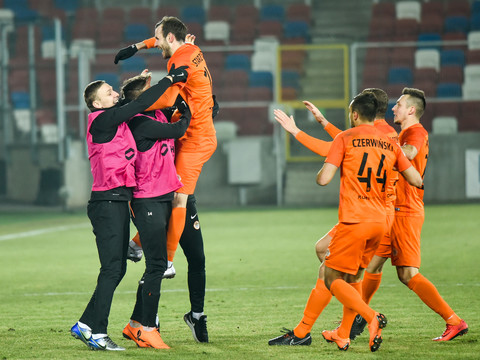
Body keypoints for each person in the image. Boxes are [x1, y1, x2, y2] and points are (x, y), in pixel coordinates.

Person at [270, 92, 423, 352]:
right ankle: (339, 334)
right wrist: (320, 124)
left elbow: (326, 174)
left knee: (331, 276)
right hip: (382, 220)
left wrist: (320, 155)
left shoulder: (347, 137)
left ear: (355, 113)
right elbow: (417, 180)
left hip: (356, 219)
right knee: (350, 275)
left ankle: (369, 316)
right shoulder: (389, 140)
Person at [70, 67, 188, 351]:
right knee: (112, 270)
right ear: (97, 103)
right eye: (107, 93)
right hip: (107, 202)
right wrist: (169, 80)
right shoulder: (101, 120)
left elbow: (134, 98)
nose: (114, 94)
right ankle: (98, 334)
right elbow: (136, 103)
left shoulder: (113, 117)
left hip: (118, 201)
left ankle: (85, 324)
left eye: (113, 90)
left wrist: (140, 82)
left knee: (118, 268)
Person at [114, 18, 216, 342]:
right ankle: (145, 322)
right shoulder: (149, 116)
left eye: (158, 40)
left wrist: (144, 58)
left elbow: (172, 81)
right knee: (157, 262)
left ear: (171, 38)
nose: (155, 45)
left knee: (194, 255)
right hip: (156, 191)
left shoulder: (176, 68)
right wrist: (138, 48)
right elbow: (167, 101)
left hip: (182, 167)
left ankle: (194, 314)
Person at [351, 88, 468, 342]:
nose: (394, 108)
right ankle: (361, 314)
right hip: (392, 210)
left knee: (408, 275)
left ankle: (454, 321)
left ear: (411, 110)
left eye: (400, 105)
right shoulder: (404, 133)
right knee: (371, 264)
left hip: (405, 211)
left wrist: (382, 146)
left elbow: (410, 153)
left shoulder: (415, 132)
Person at [119, 72, 191, 349]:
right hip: (145, 200)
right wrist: (186, 111)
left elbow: (173, 109)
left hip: (162, 197)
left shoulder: (157, 115)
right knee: (157, 265)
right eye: (153, 92)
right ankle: (147, 328)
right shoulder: (138, 122)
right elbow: (178, 130)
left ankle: (135, 325)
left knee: (158, 265)